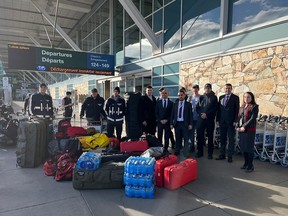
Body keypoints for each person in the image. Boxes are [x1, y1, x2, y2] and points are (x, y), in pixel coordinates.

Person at [216, 84, 240, 163]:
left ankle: (230, 156)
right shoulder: (221, 97)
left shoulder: (235, 98)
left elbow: (237, 111)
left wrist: (236, 121)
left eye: (229, 88)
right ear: (224, 89)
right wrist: (217, 120)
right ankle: (222, 155)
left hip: (231, 122)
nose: (227, 90)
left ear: (231, 89)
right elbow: (219, 110)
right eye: (226, 88)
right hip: (222, 122)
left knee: (231, 139)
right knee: (222, 139)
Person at [236, 92, 259, 172]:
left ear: (252, 98)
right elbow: (239, 117)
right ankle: (246, 163)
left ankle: (250, 166)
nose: (246, 98)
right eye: (245, 97)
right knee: (243, 147)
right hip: (242, 130)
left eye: (248, 97)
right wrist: (237, 126)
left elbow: (252, 118)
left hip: (249, 131)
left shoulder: (254, 107)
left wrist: (244, 126)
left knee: (249, 148)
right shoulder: (242, 107)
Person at [196, 83, 218, 159]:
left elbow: (215, 108)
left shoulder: (214, 97)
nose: (207, 89)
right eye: (206, 88)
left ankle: (210, 153)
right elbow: (197, 107)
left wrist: (206, 114)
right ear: (204, 89)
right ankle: (200, 152)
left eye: (208, 88)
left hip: (209, 119)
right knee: (200, 136)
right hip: (201, 119)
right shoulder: (201, 97)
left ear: (211, 89)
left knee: (210, 136)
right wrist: (201, 114)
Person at [170, 89, 193, 156]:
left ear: (184, 95)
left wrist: (191, 124)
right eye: (179, 95)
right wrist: (171, 123)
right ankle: (177, 151)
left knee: (186, 139)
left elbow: (190, 115)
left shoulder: (188, 104)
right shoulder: (175, 104)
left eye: (181, 95)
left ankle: (185, 152)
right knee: (177, 138)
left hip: (185, 124)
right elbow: (172, 115)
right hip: (177, 124)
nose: (180, 96)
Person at [187, 84, 201, 153]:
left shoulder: (201, 97)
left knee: (198, 134)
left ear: (198, 90)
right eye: (193, 89)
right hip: (191, 118)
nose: (195, 91)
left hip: (198, 118)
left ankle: (199, 149)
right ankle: (191, 149)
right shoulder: (189, 98)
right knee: (191, 134)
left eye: (196, 89)